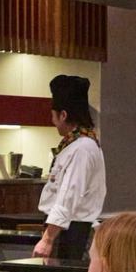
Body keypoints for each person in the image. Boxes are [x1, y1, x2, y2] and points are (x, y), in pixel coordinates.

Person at [33, 74, 105, 262]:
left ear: (63, 115)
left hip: (72, 233)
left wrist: (48, 239)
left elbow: (68, 197)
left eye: (53, 116)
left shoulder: (82, 148)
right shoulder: (76, 145)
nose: (53, 121)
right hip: (65, 229)